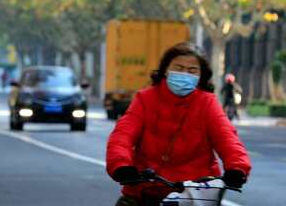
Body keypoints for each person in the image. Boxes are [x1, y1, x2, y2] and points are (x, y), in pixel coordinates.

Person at [106, 43, 251, 206]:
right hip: (143, 190)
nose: (184, 74)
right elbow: (122, 136)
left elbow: (227, 139)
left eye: (192, 71)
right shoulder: (145, 99)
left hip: (193, 195)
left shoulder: (207, 103)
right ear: (166, 70)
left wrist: (237, 169)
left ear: (201, 76)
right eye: (179, 68)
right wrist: (121, 166)